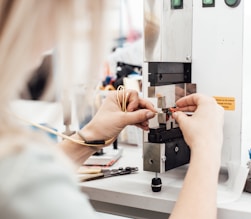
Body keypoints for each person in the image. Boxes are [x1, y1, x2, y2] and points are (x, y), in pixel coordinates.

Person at [0, 1, 224, 219]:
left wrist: (91, 136)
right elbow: (26, 182)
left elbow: (35, 182)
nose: (51, 40)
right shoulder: (16, 173)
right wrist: (207, 146)